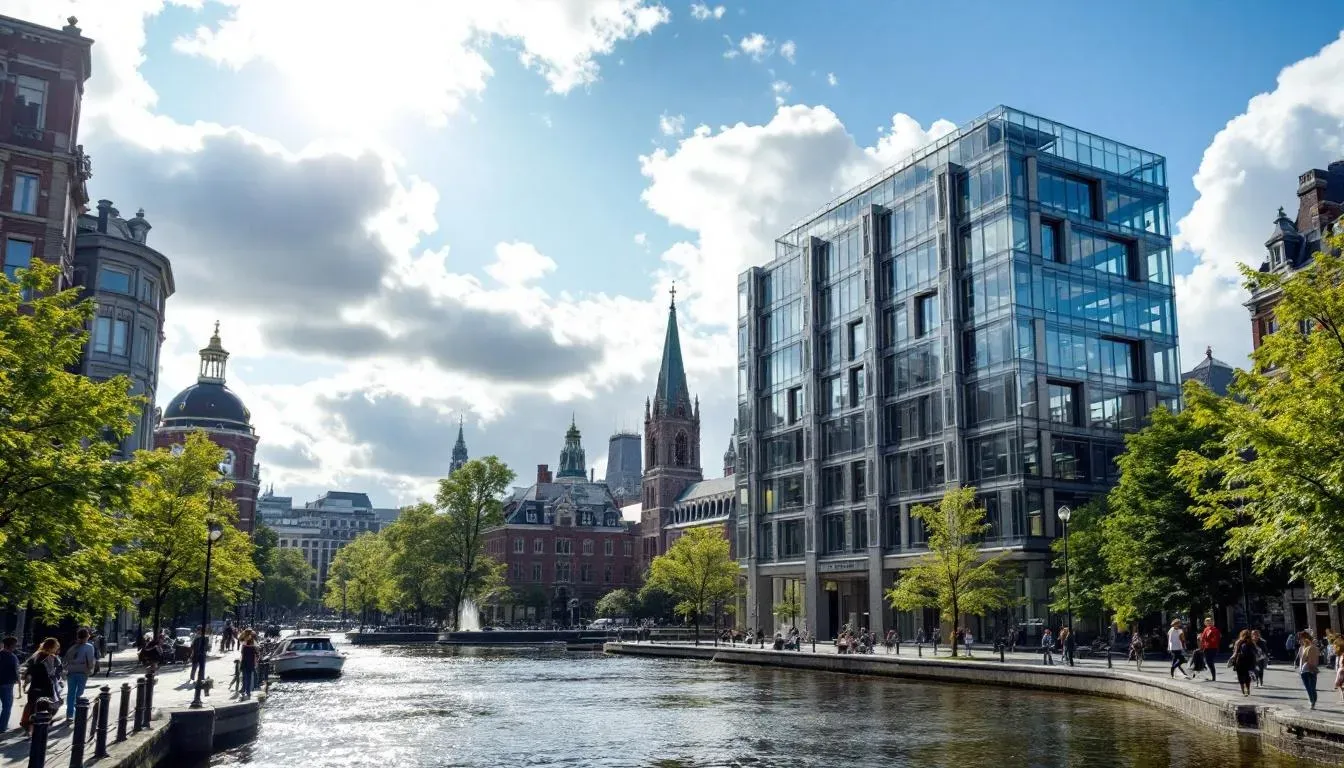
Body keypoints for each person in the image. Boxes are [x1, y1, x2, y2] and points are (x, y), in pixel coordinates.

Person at [20, 638, 59, 734]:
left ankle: (26, 723)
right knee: (50, 704)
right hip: (45, 685)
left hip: (35, 684)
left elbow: (29, 670)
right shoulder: (51, 658)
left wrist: (25, 684)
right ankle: (43, 725)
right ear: (52, 647)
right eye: (56, 647)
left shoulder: (36, 655)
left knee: (31, 704)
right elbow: (51, 672)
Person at [62, 628, 99, 721]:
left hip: (71, 671)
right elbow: (90, 660)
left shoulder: (73, 647)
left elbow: (65, 659)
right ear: (87, 636)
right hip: (82, 671)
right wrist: (91, 669)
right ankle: (78, 710)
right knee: (80, 693)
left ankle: (70, 714)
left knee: (71, 693)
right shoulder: (89, 646)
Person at [1297, 630, 1321, 709]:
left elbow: (1303, 659)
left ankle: (1312, 701)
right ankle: (1313, 701)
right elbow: (1301, 659)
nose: (1300, 640)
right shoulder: (1304, 648)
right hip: (1310, 668)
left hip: (1306, 669)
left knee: (1309, 687)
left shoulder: (1306, 648)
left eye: (1301, 638)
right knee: (1312, 687)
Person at [0, 636, 19, 732]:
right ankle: (2, 727)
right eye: (15, 645)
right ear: (11, 646)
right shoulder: (12, 657)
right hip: (7, 684)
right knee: (7, 706)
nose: (15, 647)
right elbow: (15, 671)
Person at [1231, 629, 1258, 697]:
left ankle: (1243, 691)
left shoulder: (1239, 642)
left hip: (1240, 661)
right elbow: (1256, 651)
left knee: (1240, 676)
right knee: (1247, 677)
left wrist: (1233, 660)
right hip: (1249, 661)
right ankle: (1248, 690)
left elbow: (1235, 651)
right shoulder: (1252, 642)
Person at [1198, 617, 1222, 682]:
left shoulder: (1214, 629)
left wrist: (1208, 640)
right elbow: (1203, 639)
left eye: (1210, 621)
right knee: (1208, 661)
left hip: (1212, 647)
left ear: (1212, 622)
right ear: (1205, 623)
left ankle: (1213, 677)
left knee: (1209, 662)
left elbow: (1216, 639)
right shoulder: (1206, 629)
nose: (1208, 623)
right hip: (1206, 647)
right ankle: (1212, 676)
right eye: (1207, 622)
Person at [239, 631, 258, 699]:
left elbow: (242, 655)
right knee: (249, 678)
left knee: (244, 677)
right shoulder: (253, 647)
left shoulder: (244, 646)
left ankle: (244, 690)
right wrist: (255, 664)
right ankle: (248, 692)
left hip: (245, 663)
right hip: (250, 664)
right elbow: (256, 655)